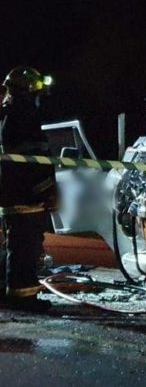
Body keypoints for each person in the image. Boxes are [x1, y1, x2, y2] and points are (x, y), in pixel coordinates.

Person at [0, 66, 57, 312]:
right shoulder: (23, 115)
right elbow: (35, 160)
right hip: (25, 195)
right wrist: (47, 190)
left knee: (21, 247)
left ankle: (18, 294)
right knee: (25, 248)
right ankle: (23, 299)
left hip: (16, 193)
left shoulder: (10, 114)